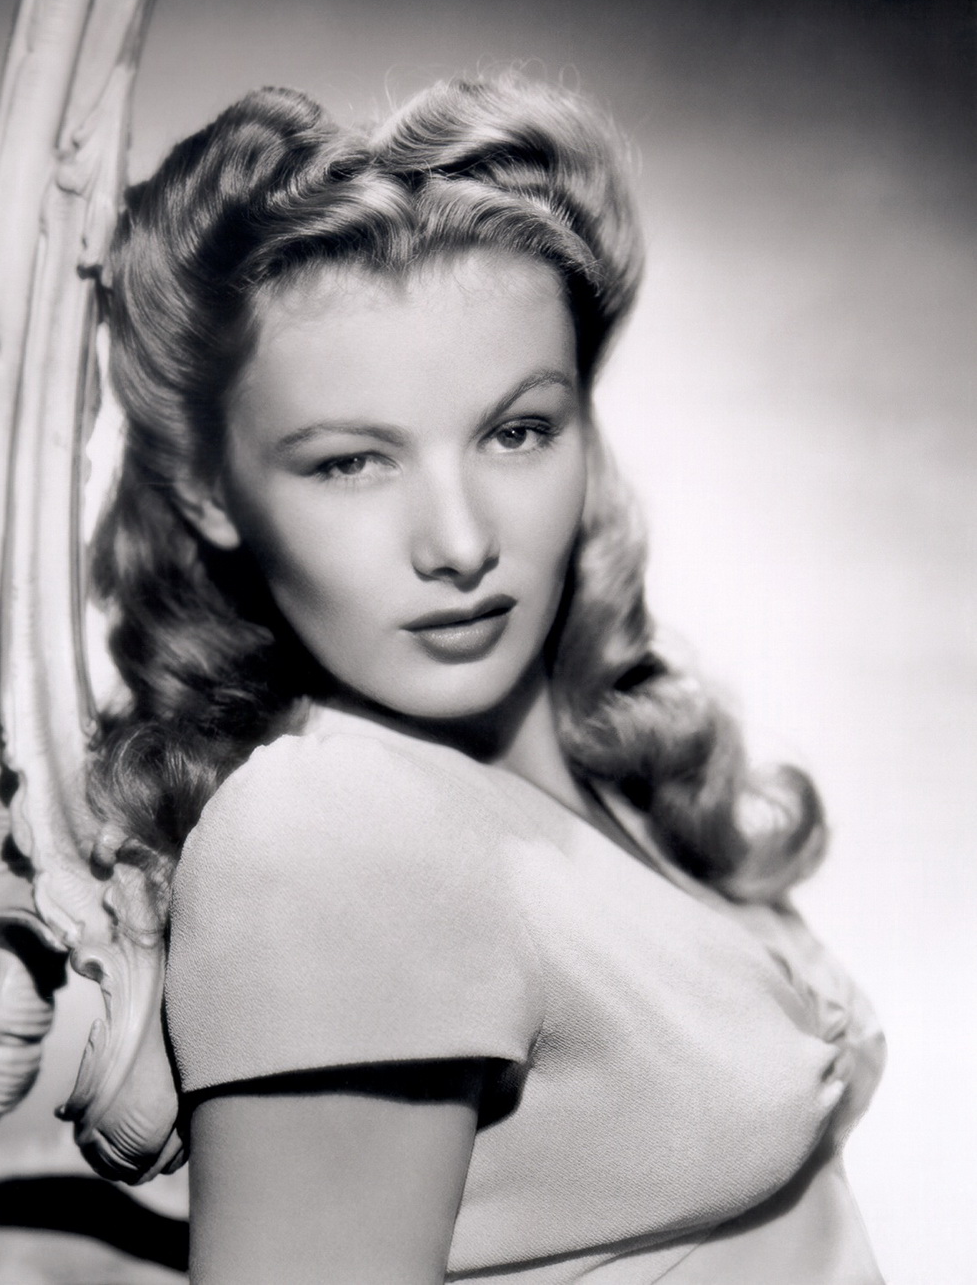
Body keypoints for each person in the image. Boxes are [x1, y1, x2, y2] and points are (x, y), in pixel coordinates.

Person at [88, 75, 886, 1284]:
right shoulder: (331, 832)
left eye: (515, 432)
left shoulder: (605, 785)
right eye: (350, 462)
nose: (459, 543)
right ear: (208, 490)